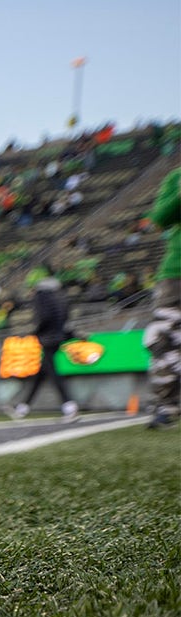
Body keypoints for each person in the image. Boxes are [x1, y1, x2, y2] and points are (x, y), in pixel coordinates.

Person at [6, 271, 79, 422]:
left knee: (53, 372)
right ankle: (23, 408)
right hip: (58, 337)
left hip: (47, 338)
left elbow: (43, 317)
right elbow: (65, 318)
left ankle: (69, 405)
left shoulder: (42, 296)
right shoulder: (61, 297)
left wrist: (35, 332)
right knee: (41, 374)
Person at [144, 167, 180, 430]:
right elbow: (158, 219)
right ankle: (167, 404)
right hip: (175, 272)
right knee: (161, 339)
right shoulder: (176, 176)